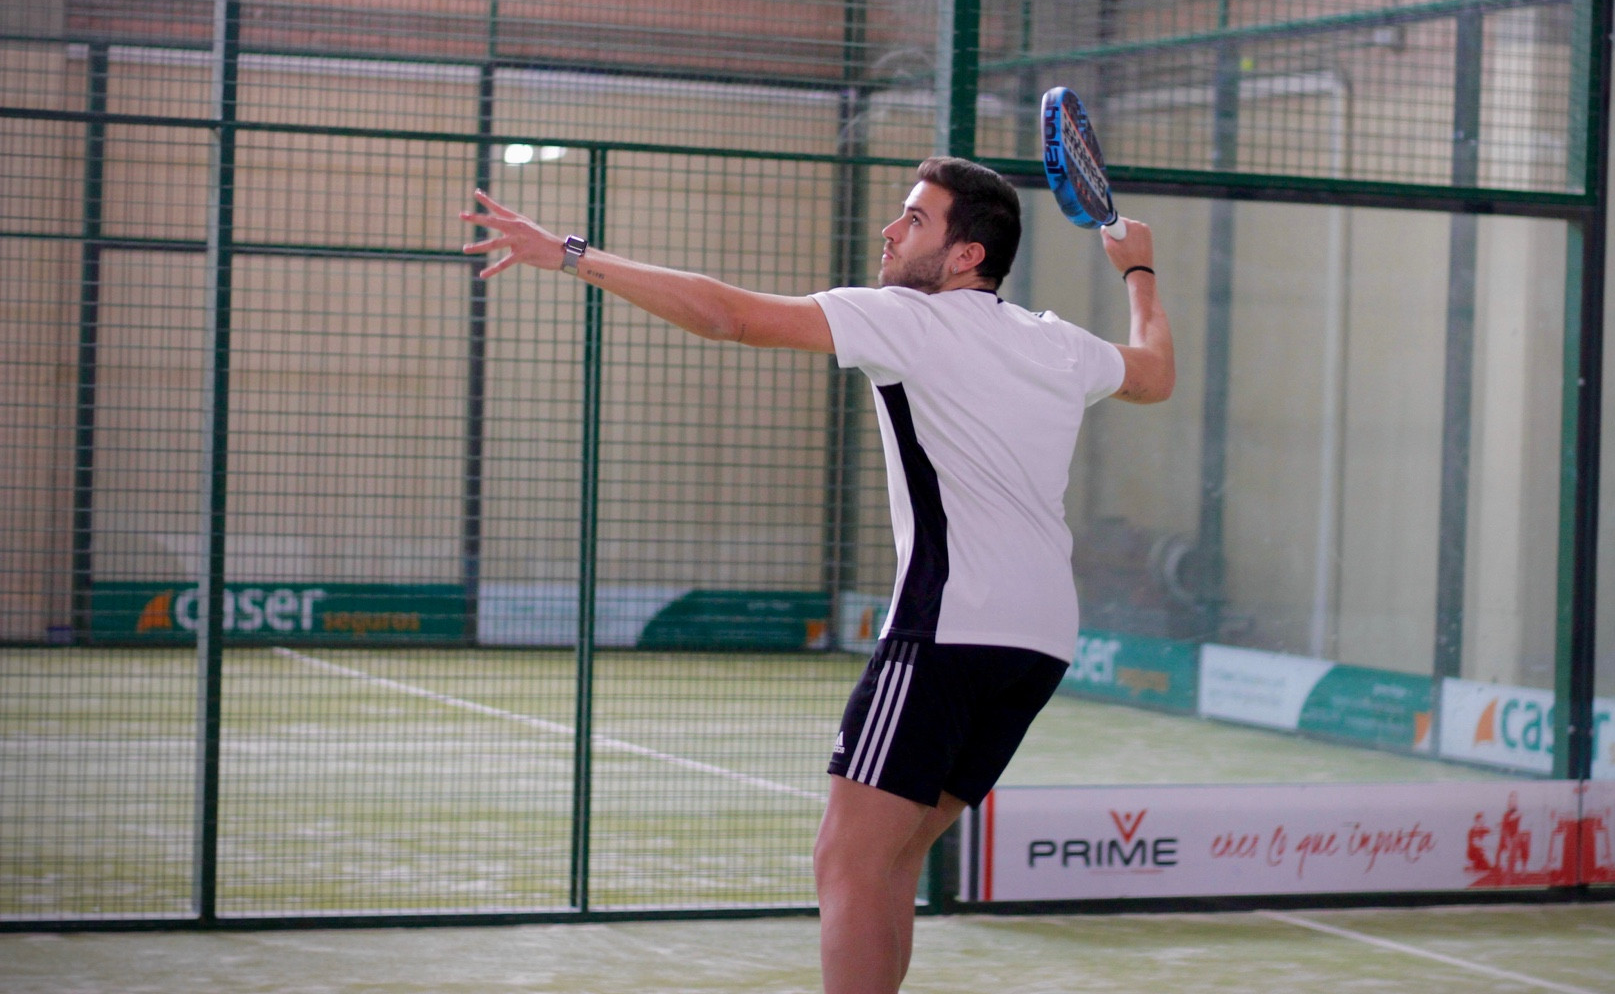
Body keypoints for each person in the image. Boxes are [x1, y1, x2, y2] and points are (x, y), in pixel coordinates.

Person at [462, 157, 1174, 994]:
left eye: (915, 219)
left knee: (849, 860)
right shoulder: (1056, 342)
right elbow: (1155, 373)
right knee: (891, 858)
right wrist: (1138, 272)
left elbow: (728, 316)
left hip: (949, 627)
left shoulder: (907, 318)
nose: (890, 230)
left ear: (966, 257)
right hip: (1040, 642)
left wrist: (571, 254)